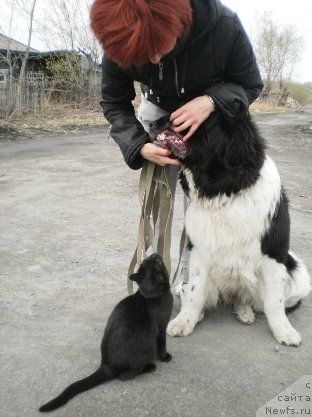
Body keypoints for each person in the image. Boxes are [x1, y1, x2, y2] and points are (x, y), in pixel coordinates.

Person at [90, 0, 263, 282]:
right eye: (145, 56)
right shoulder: (118, 39)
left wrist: (211, 101)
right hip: (157, 109)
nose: (155, 59)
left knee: (201, 207)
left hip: (208, 119)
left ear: (179, 23)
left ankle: (193, 283)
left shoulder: (223, 25)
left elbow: (250, 84)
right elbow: (114, 102)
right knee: (159, 203)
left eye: (159, 47)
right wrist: (138, 145)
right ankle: (154, 283)